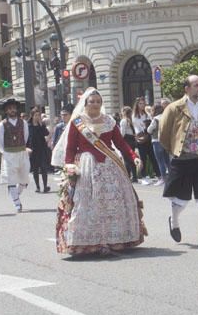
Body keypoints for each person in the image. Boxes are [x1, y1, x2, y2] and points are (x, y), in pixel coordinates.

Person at [51, 88, 146, 255]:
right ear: (85, 103)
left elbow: (121, 143)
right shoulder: (78, 122)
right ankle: (89, 242)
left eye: (98, 101)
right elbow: (71, 148)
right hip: (87, 166)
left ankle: (115, 239)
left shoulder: (109, 121)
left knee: (115, 201)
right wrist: (69, 165)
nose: (95, 104)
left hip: (110, 164)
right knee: (87, 203)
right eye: (91, 101)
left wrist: (133, 156)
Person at [159, 75, 198, 249]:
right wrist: (175, 150)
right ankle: (174, 220)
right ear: (187, 88)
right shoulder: (174, 108)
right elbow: (163, 133)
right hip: (183, 158)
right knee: (181, 200)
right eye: (196, 85)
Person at [0, 98, 31, 212]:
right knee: (11, 179)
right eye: (10, 109)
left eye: (14, 108)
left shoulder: (23, 123)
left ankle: (16, 194)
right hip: (9, 154)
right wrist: (5, 153)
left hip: (21, 153)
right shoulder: (2, 125)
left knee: (24, 178)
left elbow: (25, 137)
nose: (12, 110)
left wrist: (22, 148)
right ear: (6, 111)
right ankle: (17, 203)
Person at [133, 96, 160, 184]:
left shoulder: (146, 114)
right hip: (141, 137)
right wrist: (144, 128)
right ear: (137, 105)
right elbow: (137, 126)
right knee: (143, 157)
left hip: (148, 136)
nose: (142, 105)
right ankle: (144, 176)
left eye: (143, 103)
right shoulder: (135, 115)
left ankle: (159, 174)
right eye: (140, 104)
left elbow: (152, 121)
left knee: (153, 156)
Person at [26, 108, 51, 193]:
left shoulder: (41, 125)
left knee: (44, 168)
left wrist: (41, 125)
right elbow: (26, 138)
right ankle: (37, 187)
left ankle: (45, 186)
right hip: (33, 150)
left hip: (42, 149)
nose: (37, 117)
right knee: (35, 169)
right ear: (32, 116)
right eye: (36, 115)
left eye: (38, 115)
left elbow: (46, 133)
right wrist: (26, 148)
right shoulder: (28, 126)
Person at [147, 104, 169, 186]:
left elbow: (149, 130)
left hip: (156, 141)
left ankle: (163, 178)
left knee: (160, 161)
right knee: (167, 161)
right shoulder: (166, 117)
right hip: (166, 141)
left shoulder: (155, 119)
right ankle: (171, 177)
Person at [119, 106, 139, 183]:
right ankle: (134, 176)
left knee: (126, 159)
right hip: (132, 140)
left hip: (126, 140)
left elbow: (122, 134)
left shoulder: (123, 121)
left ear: (123, 112)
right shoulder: (131, 120)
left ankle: (128, 176)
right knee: (131, 158)